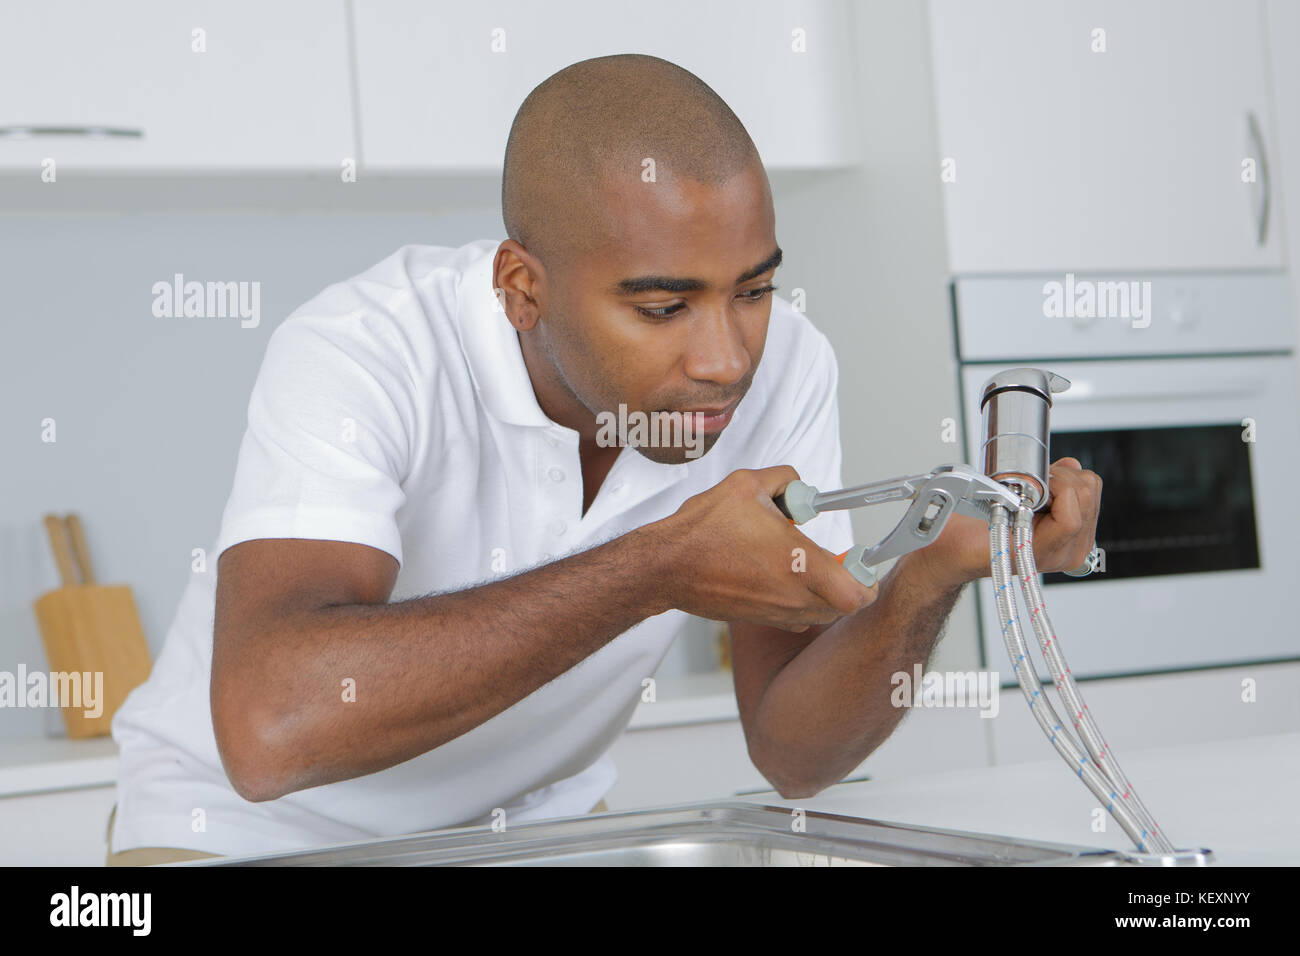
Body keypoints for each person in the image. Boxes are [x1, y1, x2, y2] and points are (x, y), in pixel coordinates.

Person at [107, 53, 1100, 864]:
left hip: (533, 835)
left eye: (752, 290)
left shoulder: (787, 365)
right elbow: (269, 728)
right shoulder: (364, 350)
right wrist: (654, 566)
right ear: (522, 286)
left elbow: (793, 750)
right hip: (248, 839)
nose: (725, 360)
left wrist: (932, 573)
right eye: (662, 306)